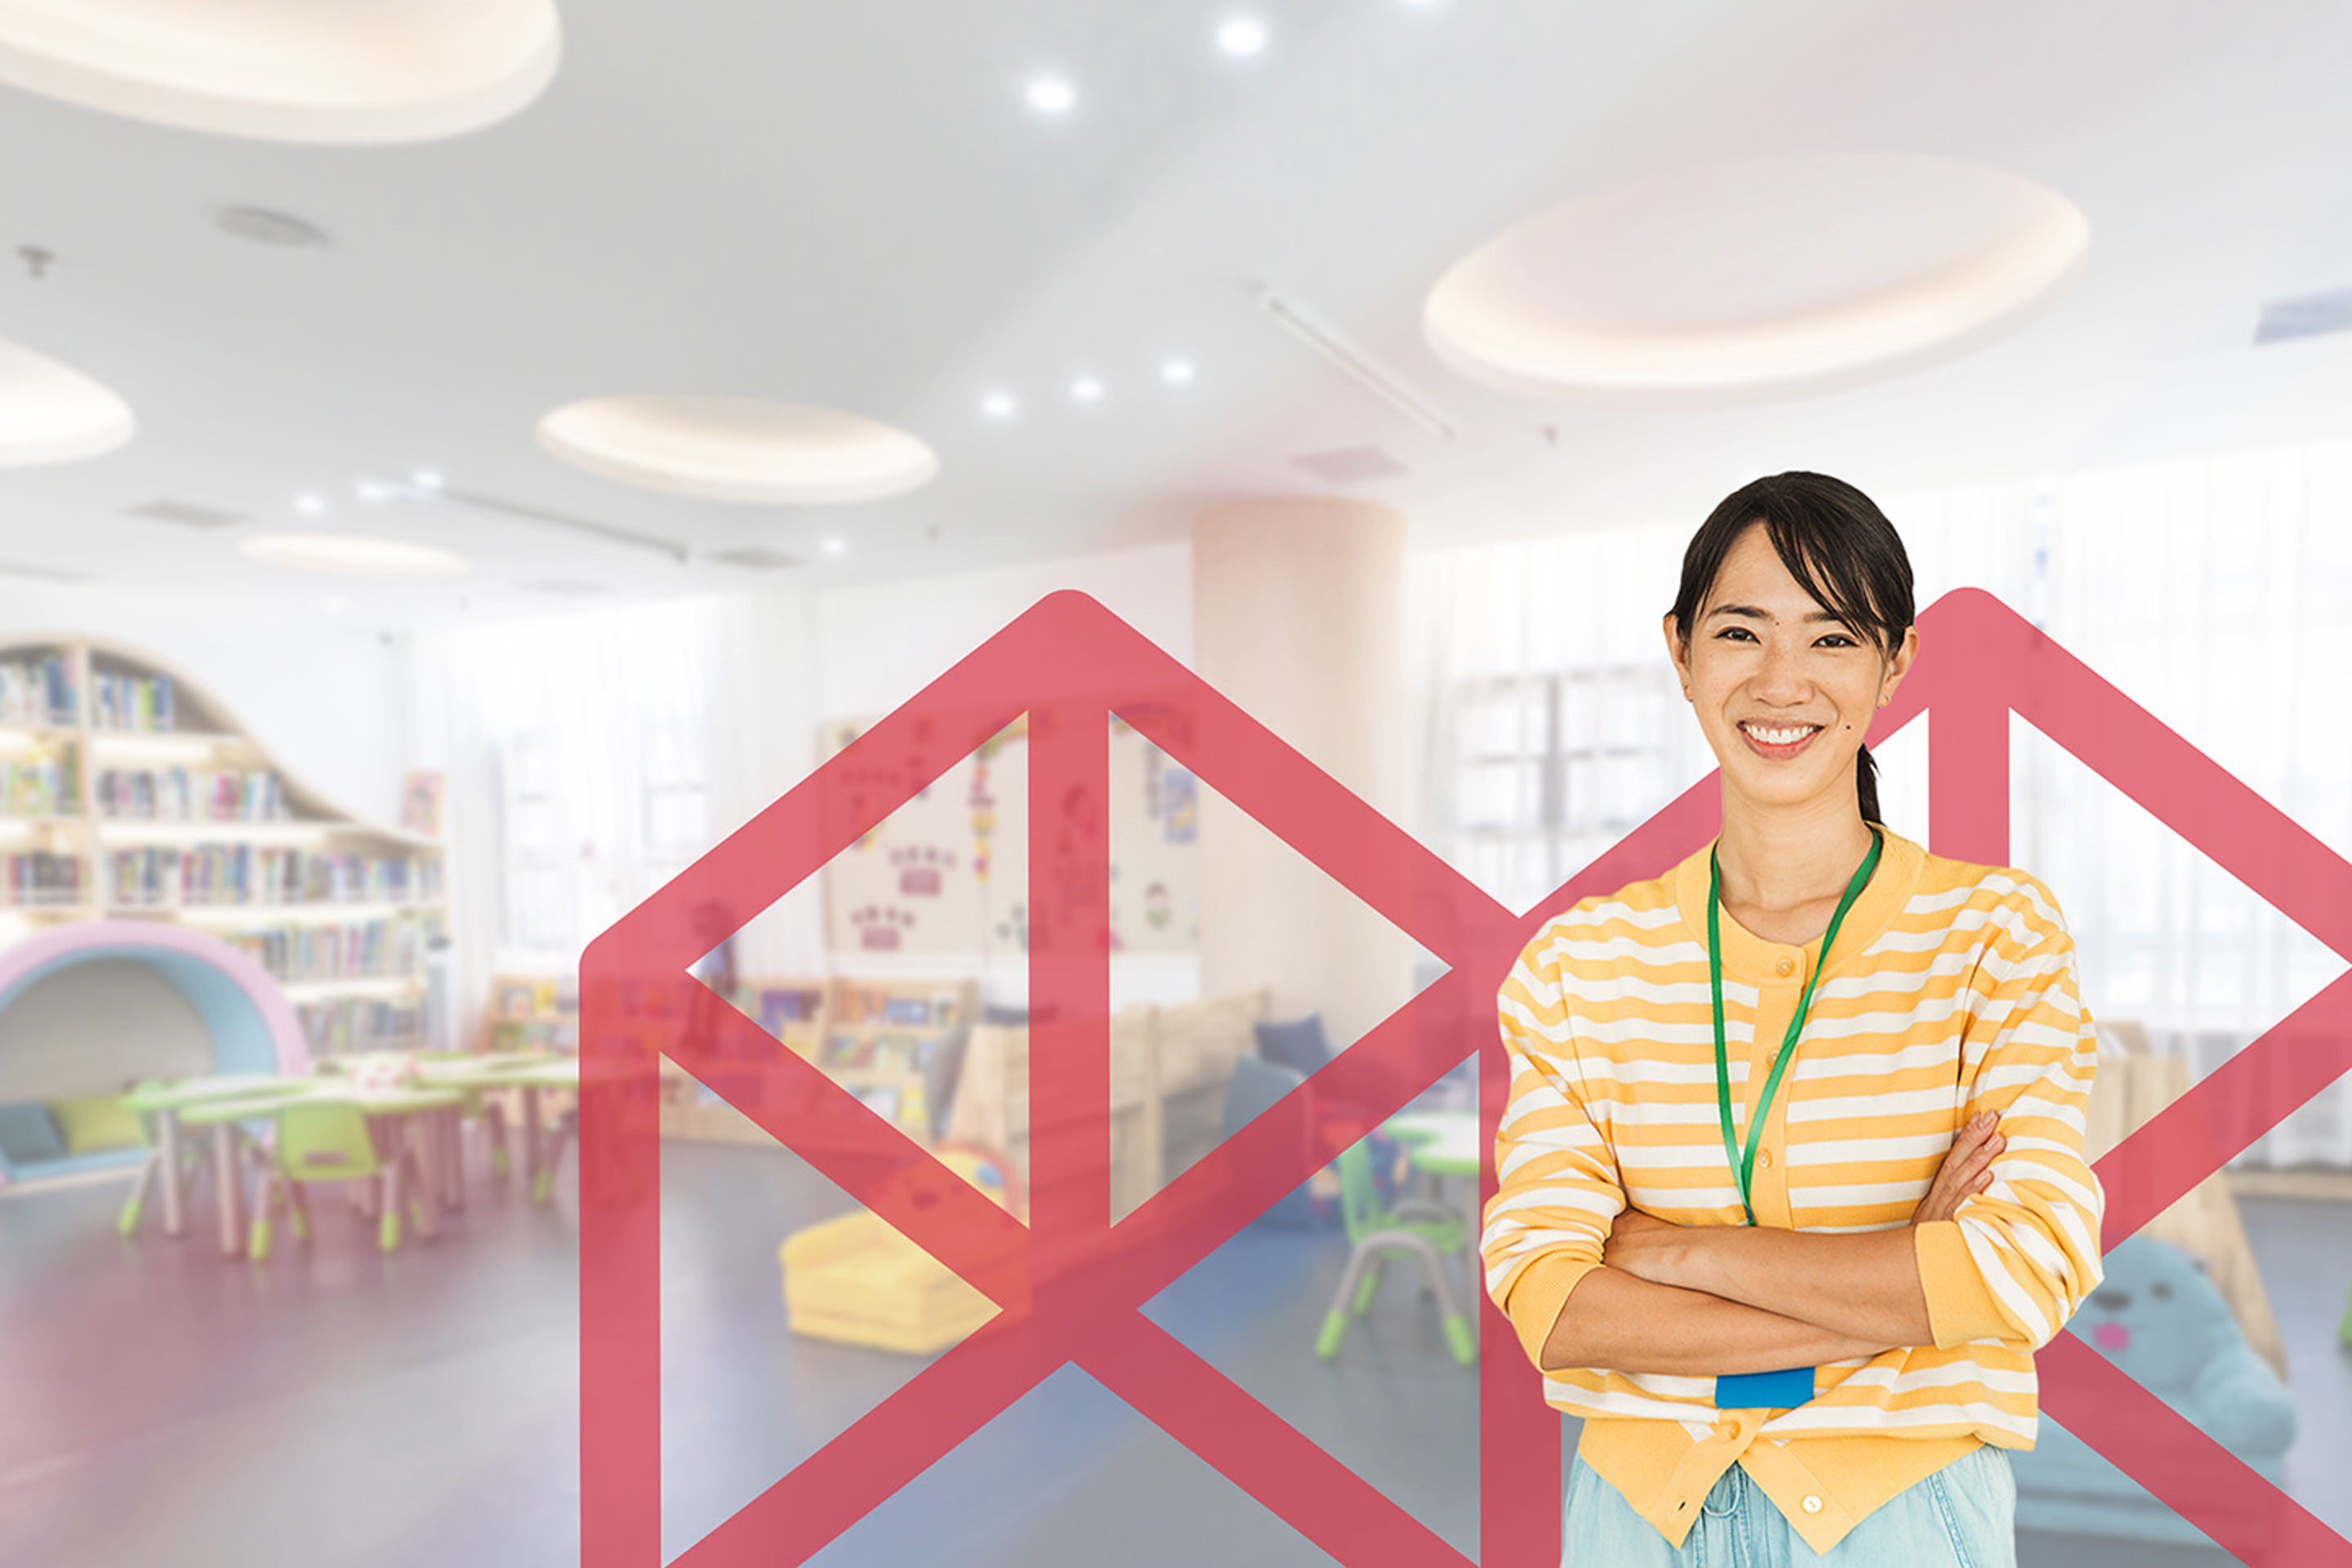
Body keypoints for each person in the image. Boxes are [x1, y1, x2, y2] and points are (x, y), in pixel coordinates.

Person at [1481, 472, 2105, 1566]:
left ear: (1894, 663)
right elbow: (1555, 1304)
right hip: (1636, 1518)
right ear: (1680, 651)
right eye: (1740, 631)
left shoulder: (1994, 937)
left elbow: (2020, 1270)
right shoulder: (1579, 965)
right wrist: (1903, 1279)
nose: (1781, 681)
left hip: (1901, 1516)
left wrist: (1671, 1253)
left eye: (1833, 638)